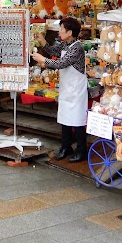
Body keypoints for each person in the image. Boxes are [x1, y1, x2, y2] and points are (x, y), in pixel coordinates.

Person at [32, 16, 89, 163]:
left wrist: (43, 60)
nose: (59, 32)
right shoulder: (65, 44)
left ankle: (81, 150)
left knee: (77, 120)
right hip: (66, 87)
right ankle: (66, 147)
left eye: (62, 29)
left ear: (69, 32)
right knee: (64, 118)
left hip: (76, 89)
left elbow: (62, 63)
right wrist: (42, 40)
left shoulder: (77, 47)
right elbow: (53, 50)